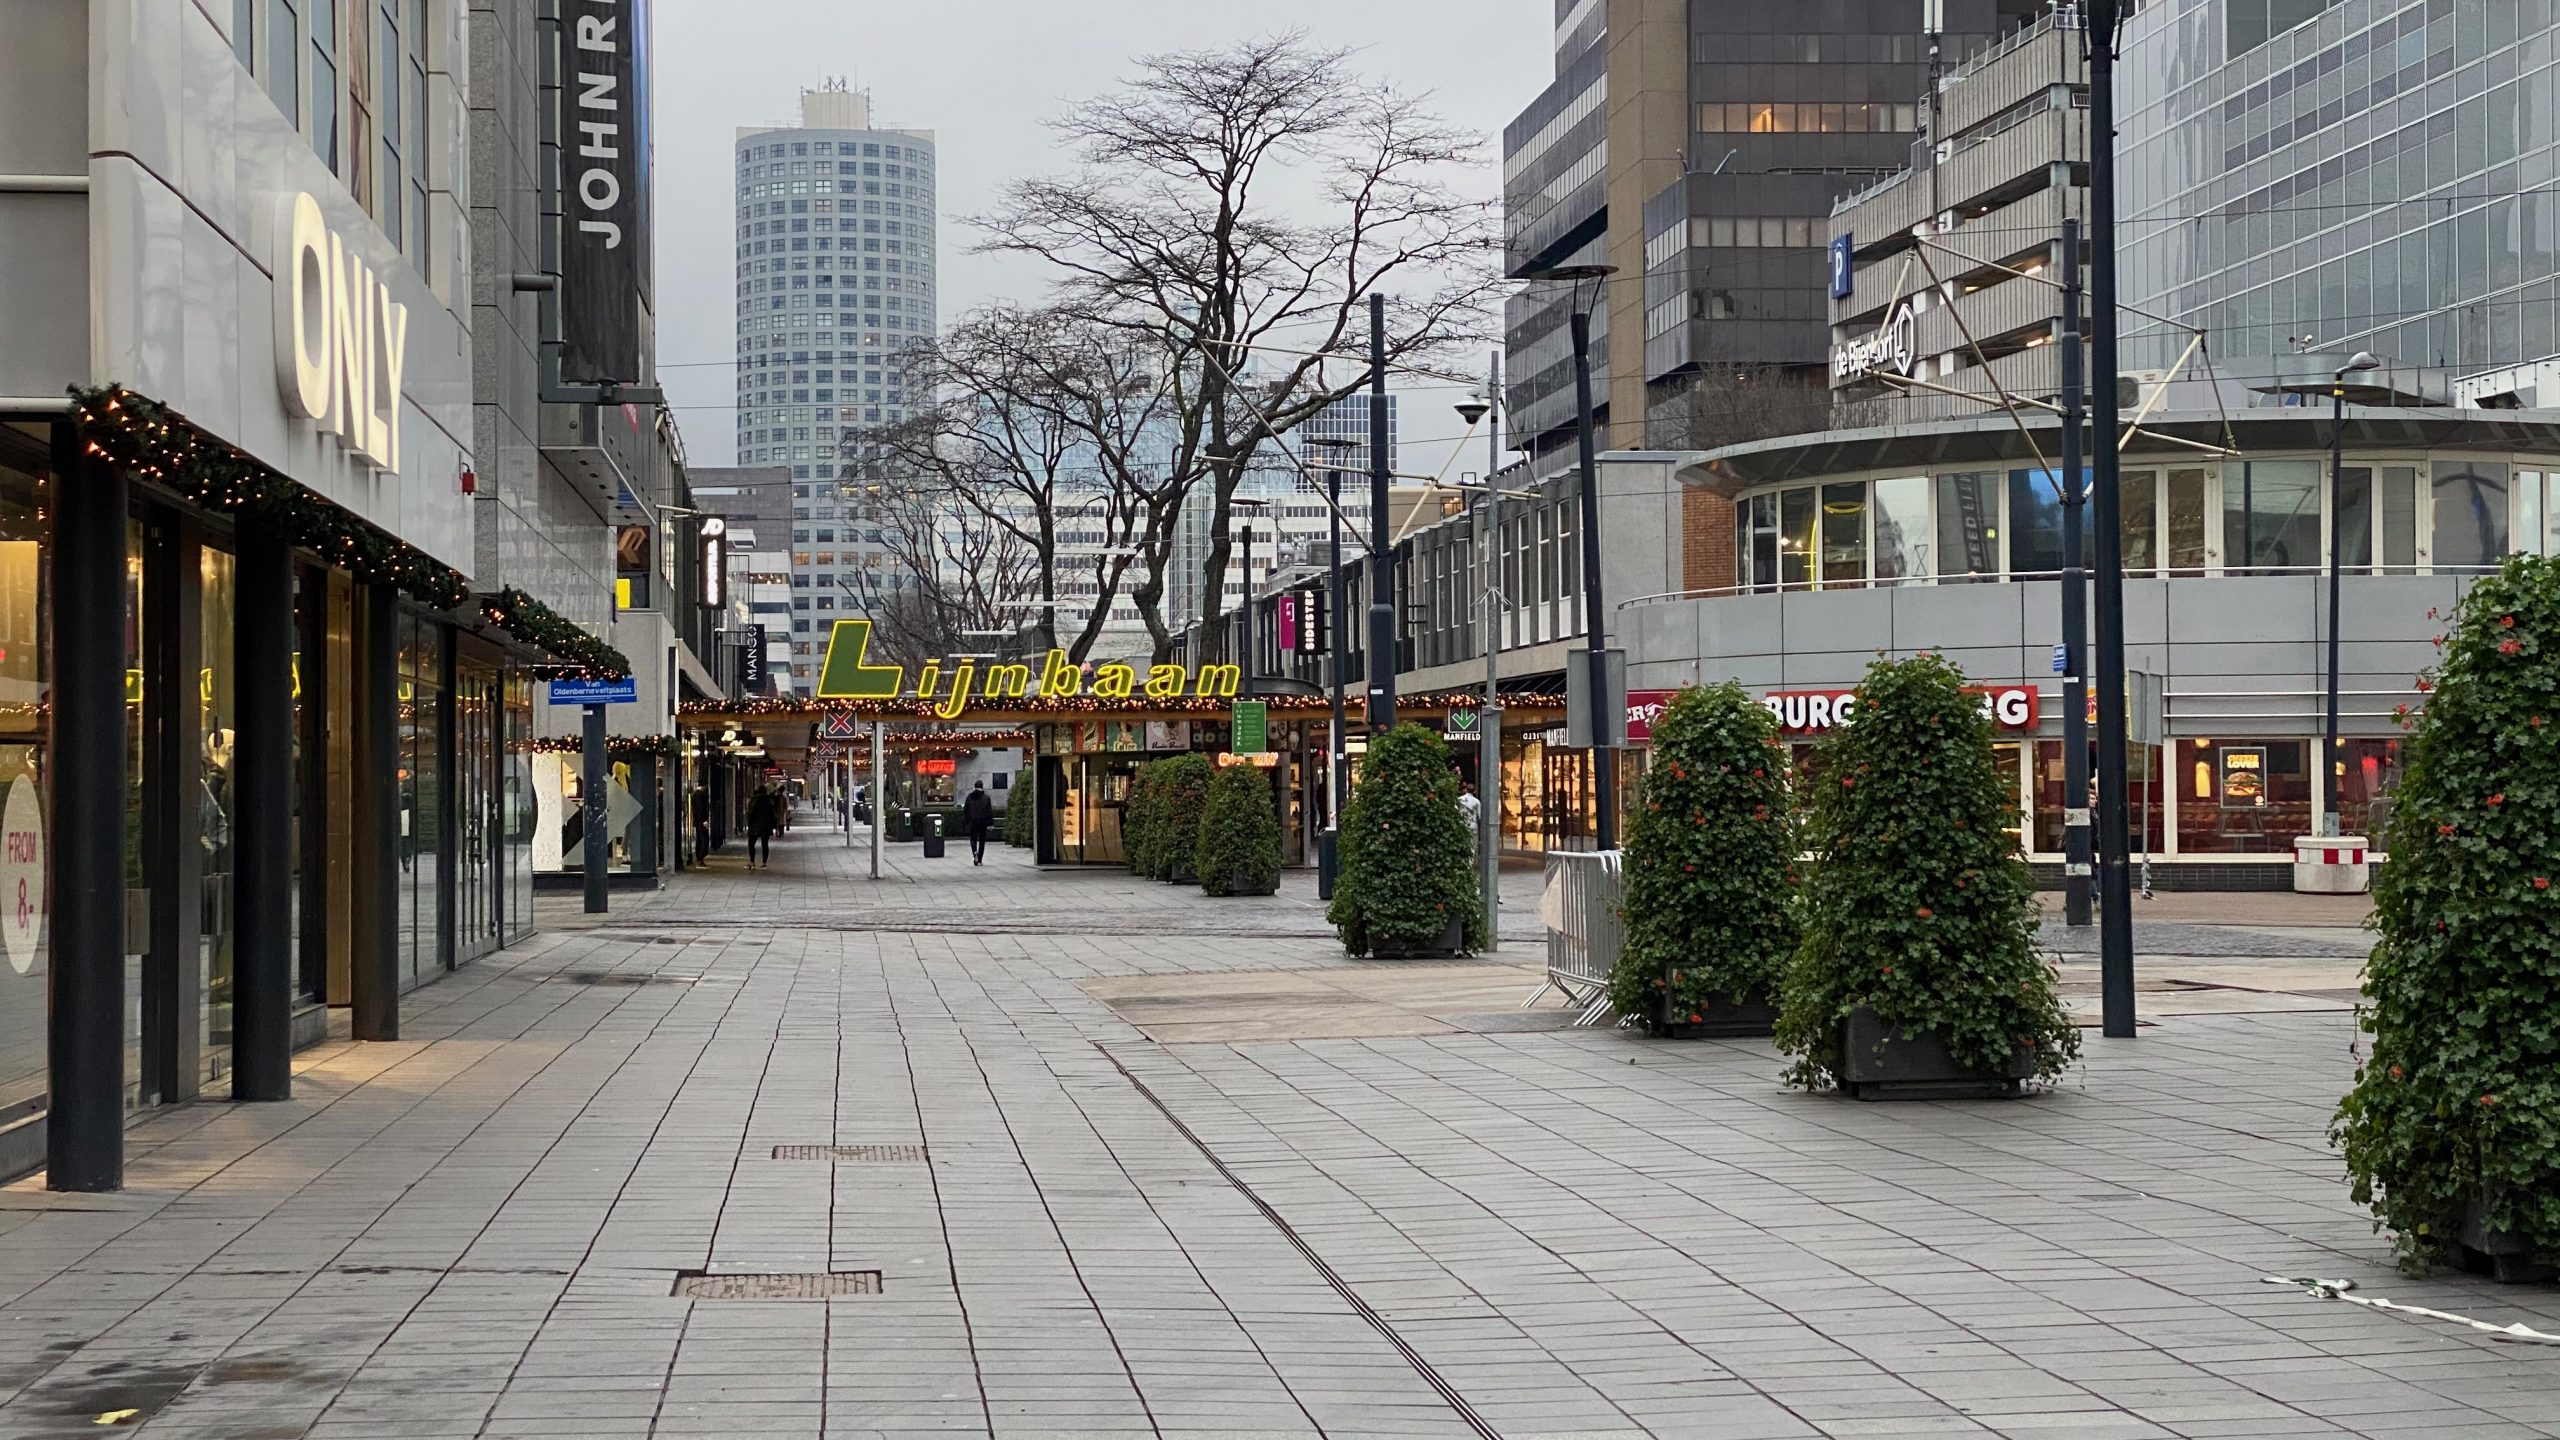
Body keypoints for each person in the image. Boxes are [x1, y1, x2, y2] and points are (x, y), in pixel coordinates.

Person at [746, 783, 779, 869]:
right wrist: (774, 825)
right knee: (765, 844)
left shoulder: (754, 800)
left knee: (751, 843)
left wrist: (749, 823)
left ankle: (752, 862)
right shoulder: (769, 800)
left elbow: (750, 813)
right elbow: (773, 814)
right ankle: (764, 863)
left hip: (755, 826)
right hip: (766, 826)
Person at [963, 780, 995, 866]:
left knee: (973, 839)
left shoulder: (969, 797)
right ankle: (980, 859)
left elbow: (966, 810)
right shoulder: (986, 798)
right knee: (982, 841)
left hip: (973, 822)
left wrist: (967, 821)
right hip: (983, 822)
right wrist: (991, 823)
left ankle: (974, 852)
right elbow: (989, 812)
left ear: (974, 786)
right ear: (982, 786)